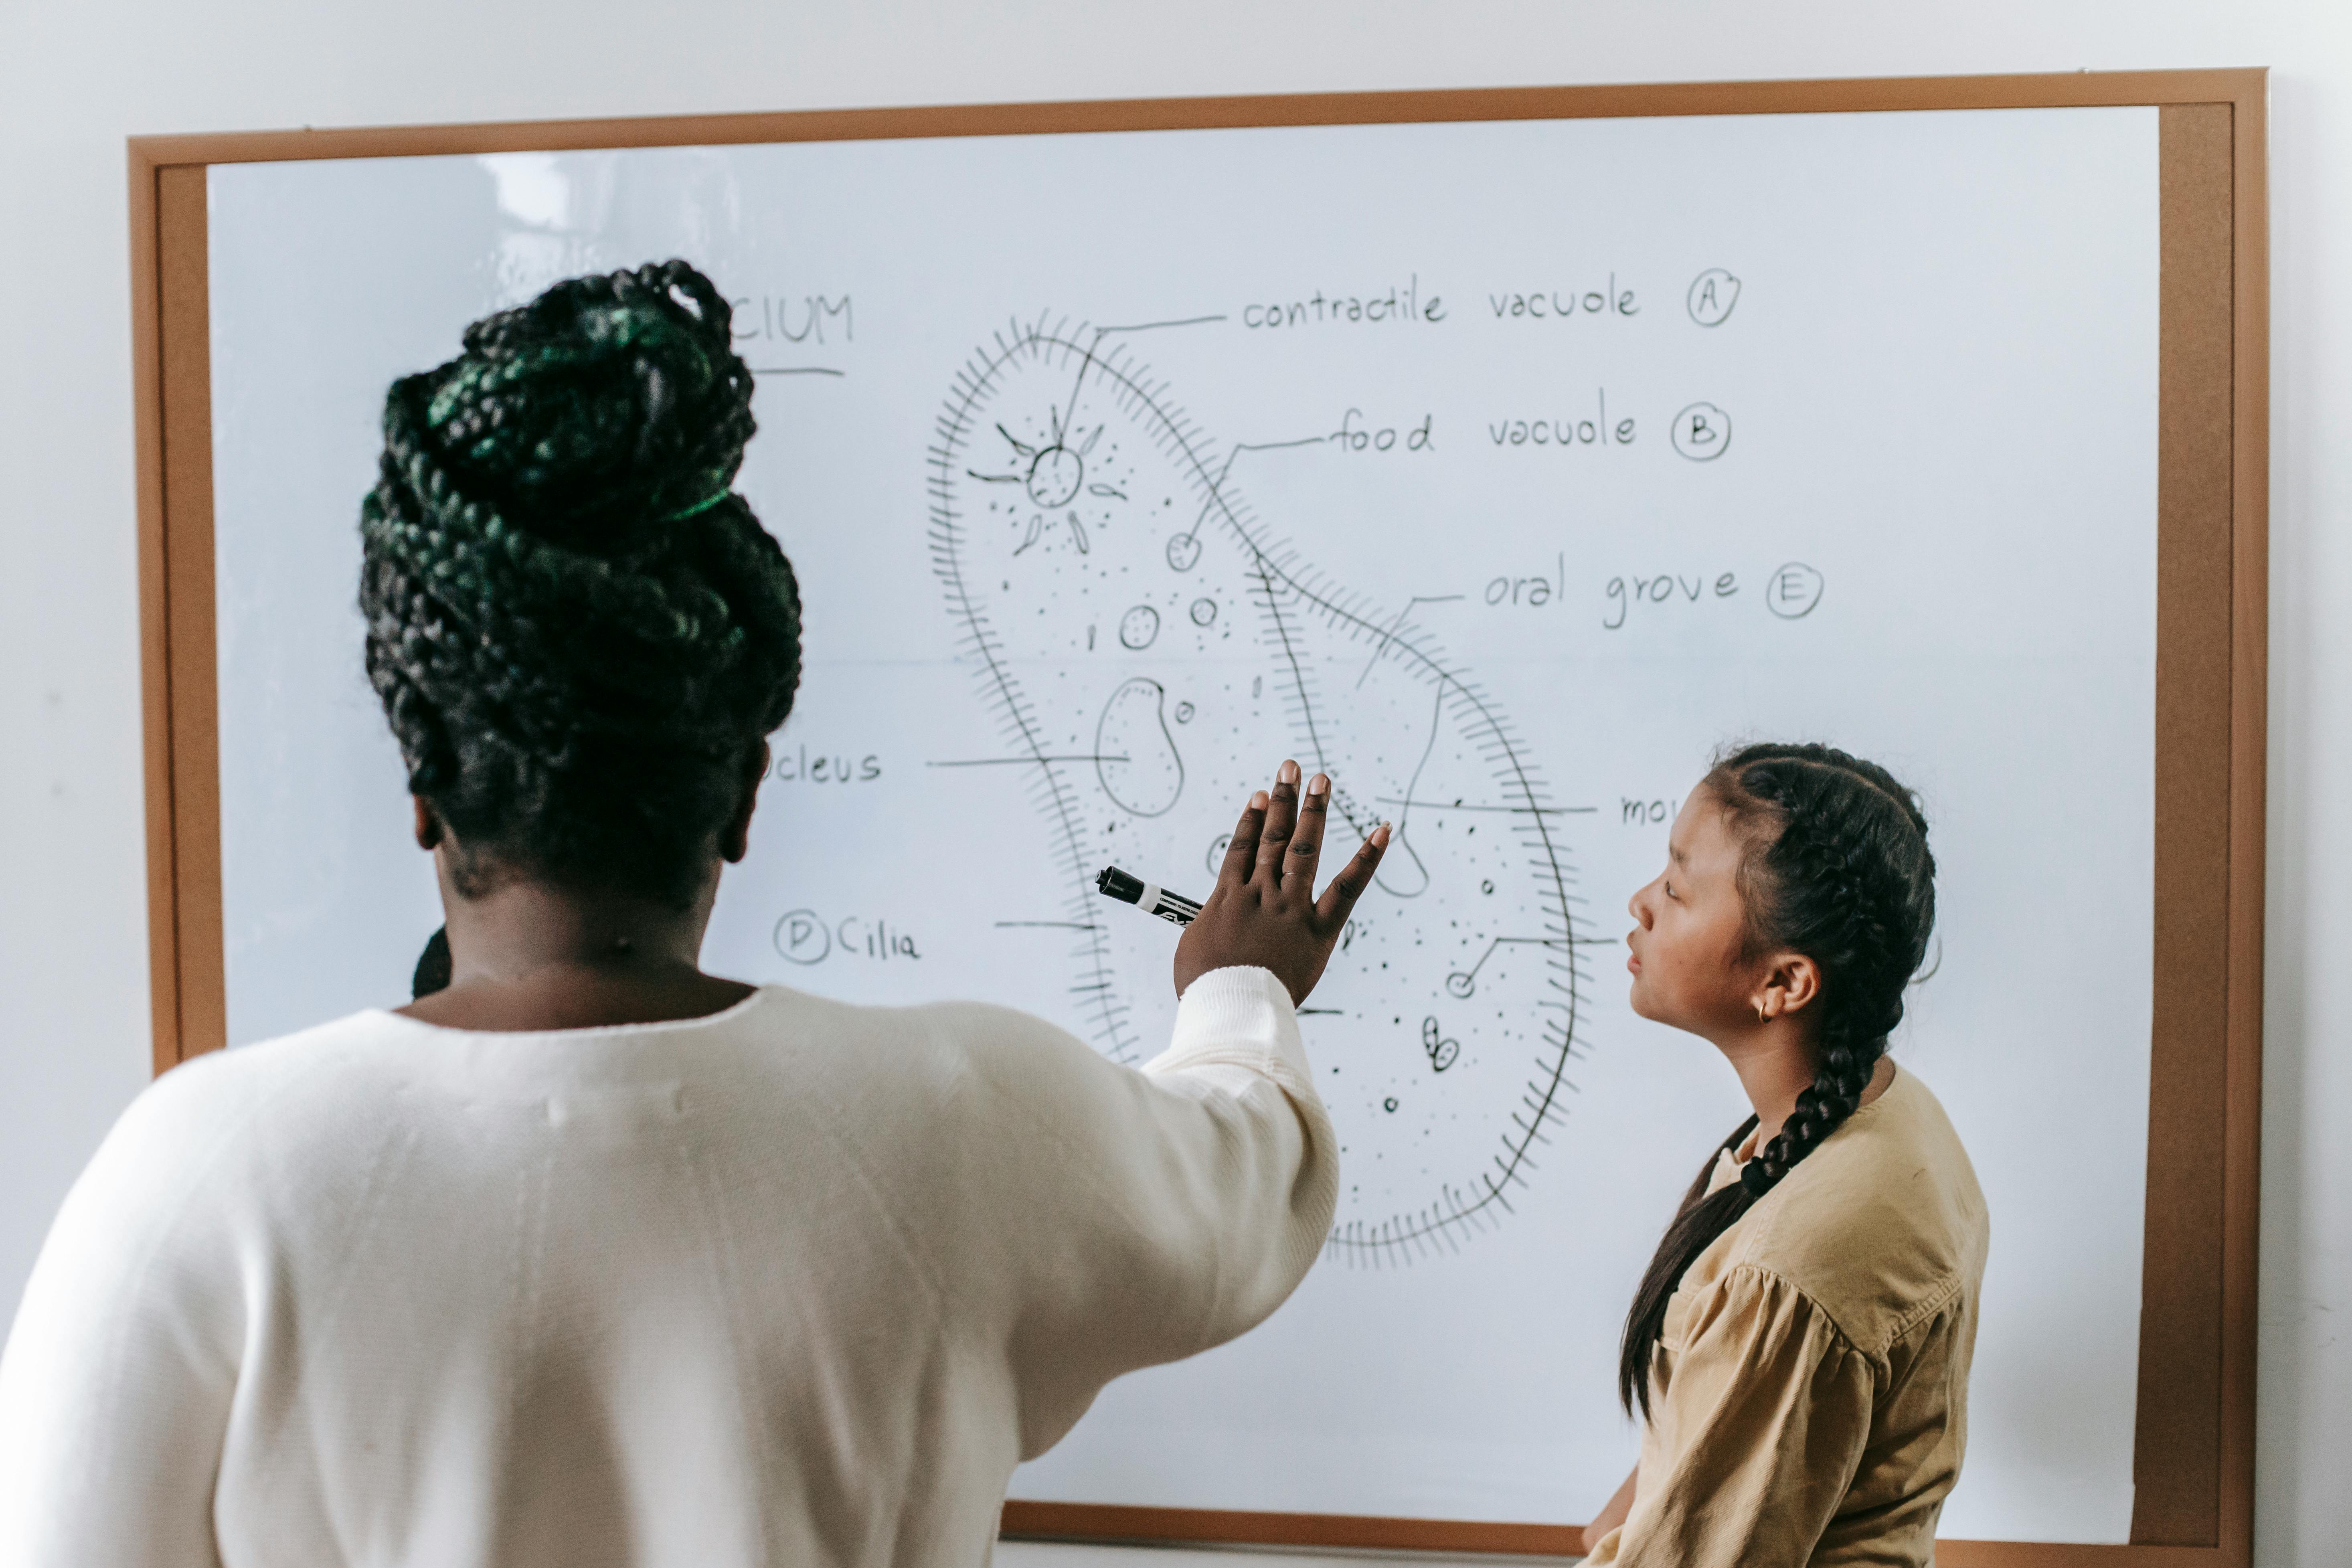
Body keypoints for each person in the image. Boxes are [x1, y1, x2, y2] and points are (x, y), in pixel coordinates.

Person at [0, 260, 1389, 1568]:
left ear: (426, 786)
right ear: (742, 794)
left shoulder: (192, 1183)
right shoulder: (969, 1118)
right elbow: (1246, 1186)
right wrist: (1239, 989)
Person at [1579, 744, 1987, 1567]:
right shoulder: (1885, 1110)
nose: (1640, 903)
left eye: (1675, 889)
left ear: (1783, 984)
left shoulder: (1788, 1271)